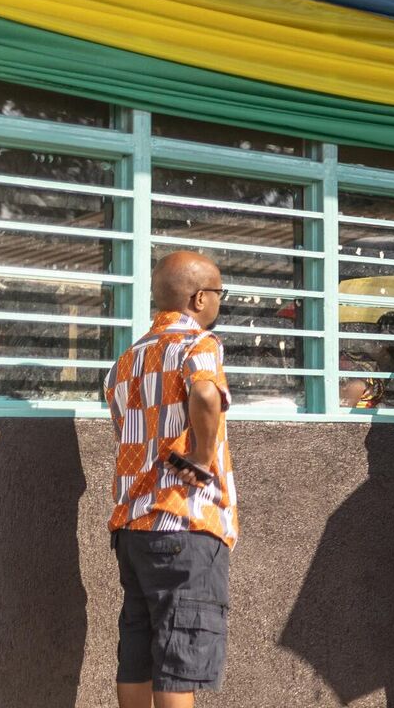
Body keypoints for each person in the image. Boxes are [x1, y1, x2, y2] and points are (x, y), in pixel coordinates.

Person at [106, 251, 235, 708]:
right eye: (220, 293)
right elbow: (204, 392)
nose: (220, 301)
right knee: (180, 662)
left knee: (138, 655)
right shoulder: (199, 342)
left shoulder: (127, 359)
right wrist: (200, 456)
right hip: (183, 524)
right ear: (200, 298)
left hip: (133, 528)